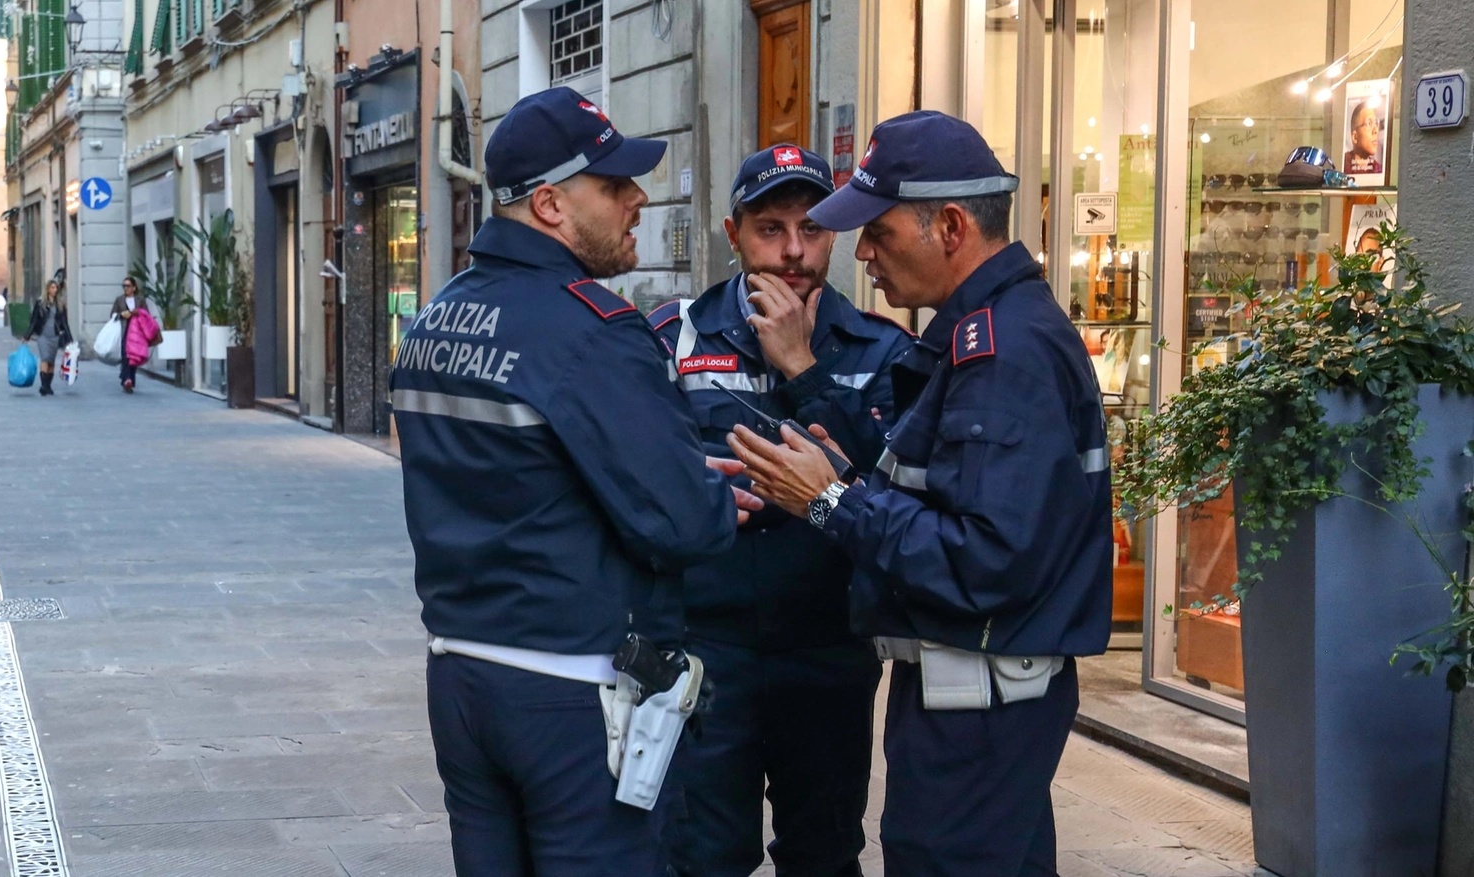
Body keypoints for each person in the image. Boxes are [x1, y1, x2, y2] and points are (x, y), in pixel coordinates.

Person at [726, 111, 1114, 877]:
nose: (861, 253)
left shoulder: (1004, 352)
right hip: (969, 691)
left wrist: (830, 499)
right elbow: (937, 494)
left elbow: (985, 558)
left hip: (982, 701)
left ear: (949, 225)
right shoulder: (979, 331)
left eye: (879, 231)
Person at [390, 86, 759, 877]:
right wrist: (705, 494)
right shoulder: (590, 329)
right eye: (615, 184)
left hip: (461, 674)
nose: (638, 199)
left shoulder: (434, 321)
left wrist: (662, 471)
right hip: (572, 691)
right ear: (551, 204)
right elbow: (682, 525)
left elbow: (524, 472)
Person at [647, 144, 914, 877]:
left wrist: (803, 367)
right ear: (733, 235)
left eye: (814, 228)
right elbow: (637, 485)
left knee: (825, 855)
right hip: (709, 653)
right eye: (771, 228)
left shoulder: (884, 351)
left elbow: (895, 488)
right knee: (703, 855)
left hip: (827, 651)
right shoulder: (675, 339)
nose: (795, 251)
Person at [23, 279, 73, 396]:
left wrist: (69, 338)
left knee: (51, 361)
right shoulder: (40, 303)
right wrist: (27, 336)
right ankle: (43, 385)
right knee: (45, 358)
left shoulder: (60, 304)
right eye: (52, 288)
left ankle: (48, 385)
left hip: (55, 335)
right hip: (43, 335)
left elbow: (64, 323)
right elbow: (34, 321)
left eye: (56, 288)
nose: (54, 290)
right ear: (47, 289)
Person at [111, 277, 149, 393]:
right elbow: (112, 315)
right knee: (125, 356)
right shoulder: (119, 300)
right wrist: (122, 315)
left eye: (128, 286)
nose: (125, 288)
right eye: (124, 286)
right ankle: (127, 379)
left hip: (137, 333)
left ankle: (128, 379)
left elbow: (146, 314)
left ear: (134, 287)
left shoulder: (140, 300)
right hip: (124, 331)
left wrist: (138, 313)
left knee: (134, 357)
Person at [1346, 102, 1383, 176]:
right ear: (1355, 137)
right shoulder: (1343, 164)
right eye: (1369, 123)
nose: (1375, 130)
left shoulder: (1378, 169)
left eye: (1376, 123)